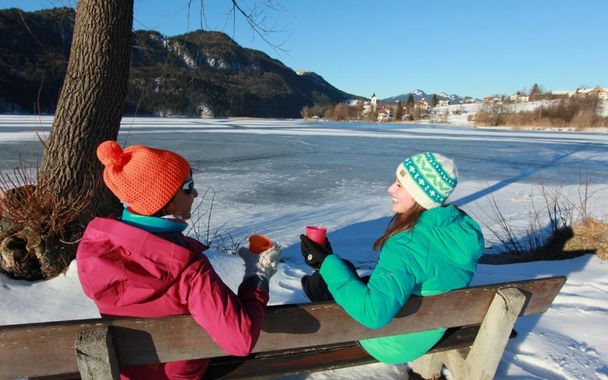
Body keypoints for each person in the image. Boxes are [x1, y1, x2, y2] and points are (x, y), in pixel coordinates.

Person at [77, 140, 281, 379]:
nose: (195, 193)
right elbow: (241, 340)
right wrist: (257, 275)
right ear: (166, 200)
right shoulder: (189, 270)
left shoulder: (97, 250)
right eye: (188, 186)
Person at [300, 152, 484, 364]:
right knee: (348, 270)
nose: (390, 189)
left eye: (400, 185)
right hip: (429, 329)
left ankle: (314, 281)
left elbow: (373, 314)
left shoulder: (406, 245)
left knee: (322, 284)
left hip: (393, 343)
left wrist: (323, 261)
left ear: (421, 194)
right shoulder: (463, 228)